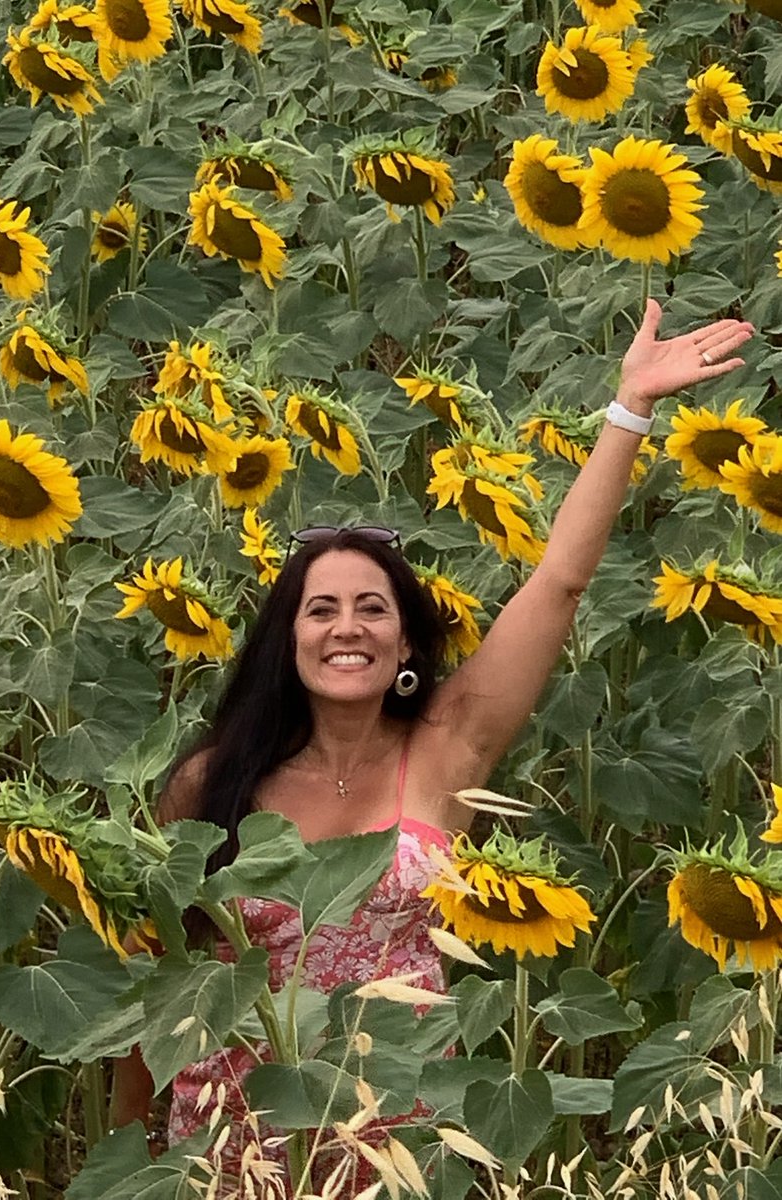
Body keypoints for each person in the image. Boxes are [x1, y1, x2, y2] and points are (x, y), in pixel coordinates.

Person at [111, 301, 753, 1192]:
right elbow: (165, 982)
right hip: (234, 1149)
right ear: (286, 640)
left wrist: (629, 409)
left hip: (400, 1145)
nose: (349, 628)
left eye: (373, 608)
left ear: (406, 642)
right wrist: (130, 1158)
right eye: (322, 609)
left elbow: (560, 583)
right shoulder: (212, 783)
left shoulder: (449, 749)